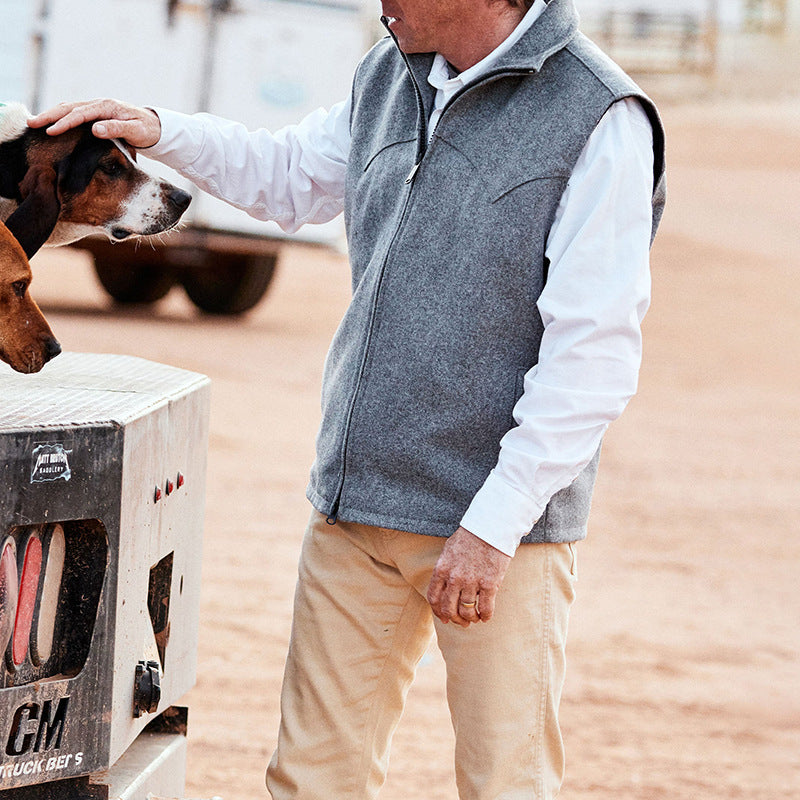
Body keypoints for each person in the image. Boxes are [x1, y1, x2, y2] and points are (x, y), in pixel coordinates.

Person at [32, 0, 665, 796]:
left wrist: (493, 528)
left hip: (498, 534)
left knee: (505, 783)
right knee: (311, 780)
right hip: (355, 511)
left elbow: (593, 357)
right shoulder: (388, 76)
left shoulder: (601, 118)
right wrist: (164, 129)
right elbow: (288, 178)